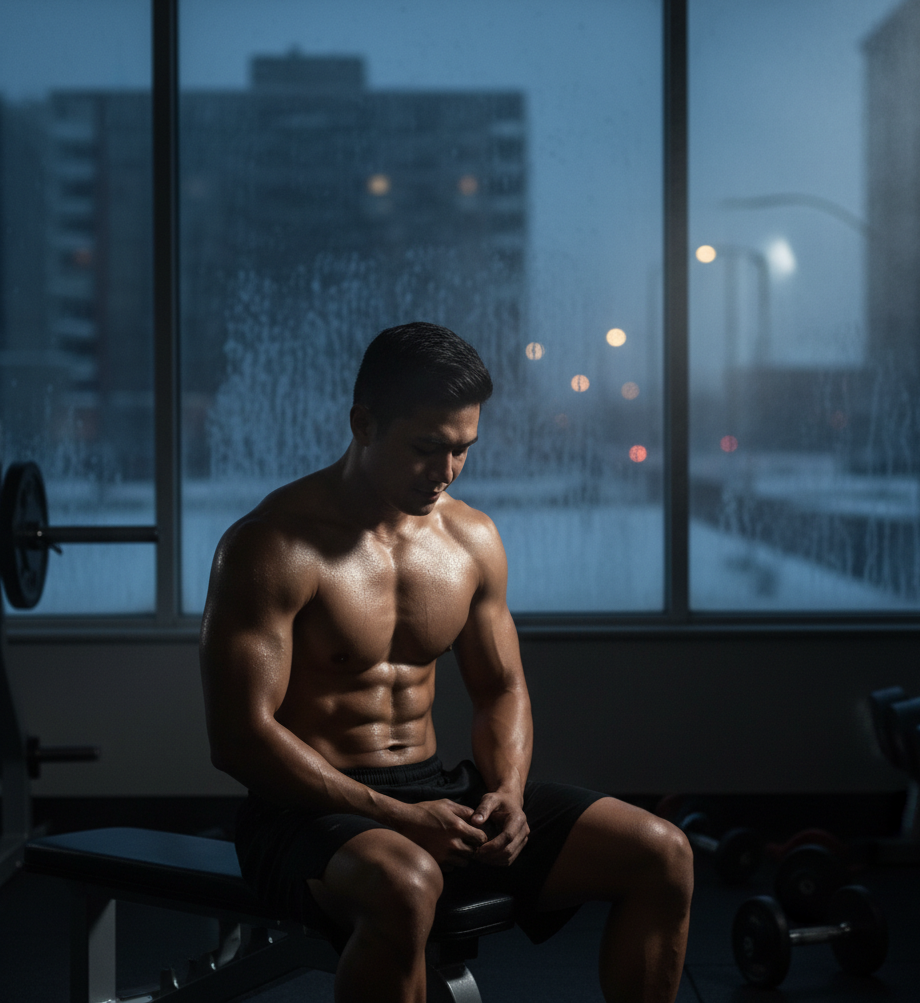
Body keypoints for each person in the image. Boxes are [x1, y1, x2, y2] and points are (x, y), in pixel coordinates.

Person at [200, 322, 692, 1003]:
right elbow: (239, 738)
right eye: (427, 447)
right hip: (303, 813)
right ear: (364, 424)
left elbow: (501, 689)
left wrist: (508, 794)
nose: (447, 471)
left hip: (436, 790)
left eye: (463, 449)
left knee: (661, 852)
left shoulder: (471, 539)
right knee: (406, 883)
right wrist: (396, 817)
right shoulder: (272, 545)